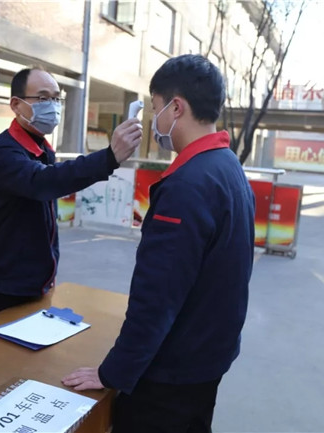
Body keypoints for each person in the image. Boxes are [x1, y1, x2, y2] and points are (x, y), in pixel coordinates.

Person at [62, 54, 255, 433]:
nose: (154, 120)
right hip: (208, 357)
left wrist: (113, 372)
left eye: (155, 108)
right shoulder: (227, 166)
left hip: (171, 373)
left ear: (176, 107)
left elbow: (157, 297)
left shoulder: (187, 185)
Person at [0, 66, 142, 322]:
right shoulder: (4, 151)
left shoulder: (42, 149)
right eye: (42, 98)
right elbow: (43, 182)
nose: (52, 106)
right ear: (16, 104)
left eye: (55, 98)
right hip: (3, 288)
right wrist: (109, 157)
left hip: (36, 284)